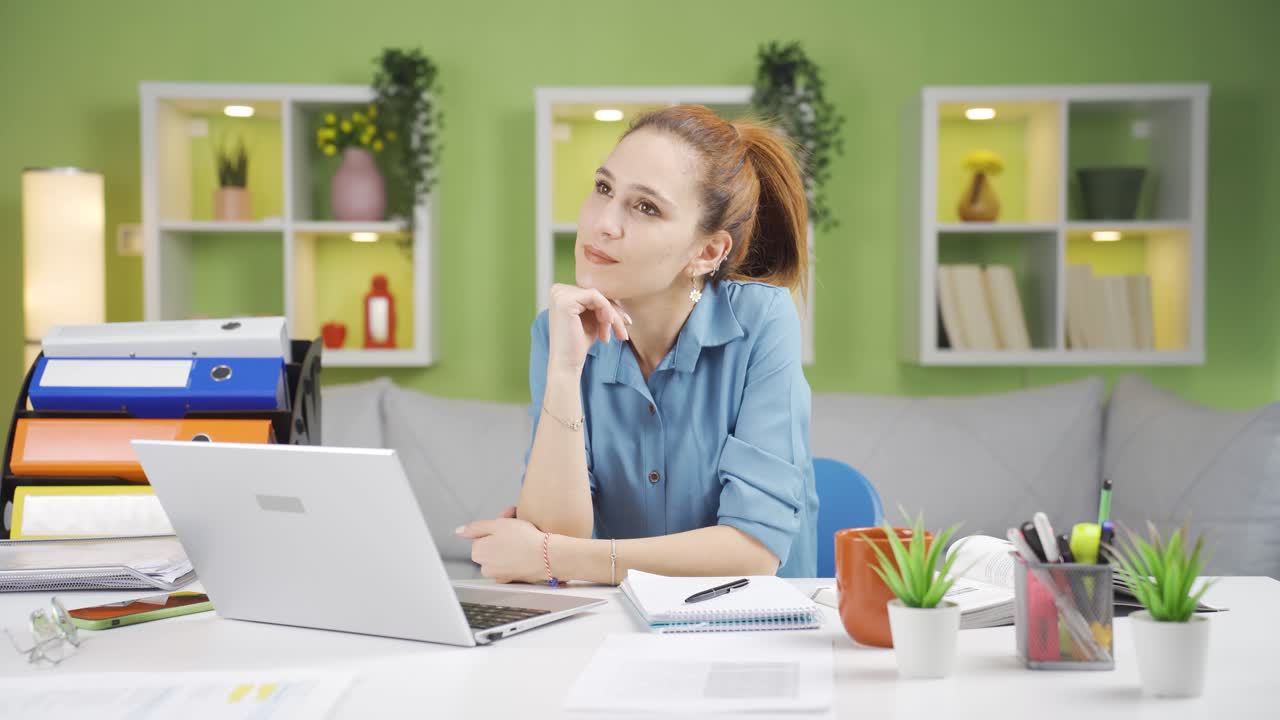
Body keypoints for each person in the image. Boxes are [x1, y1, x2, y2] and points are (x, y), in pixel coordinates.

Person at [457, 105, 817, 583]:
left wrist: (556, 556)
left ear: (707, 251)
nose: (604, 222)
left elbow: (753, 552)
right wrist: (565, 372)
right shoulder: (558, 330)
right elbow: (553, 531)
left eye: (646, 207)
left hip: (752, 633)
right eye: (603, 188)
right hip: (621, 633)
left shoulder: (763, 320)